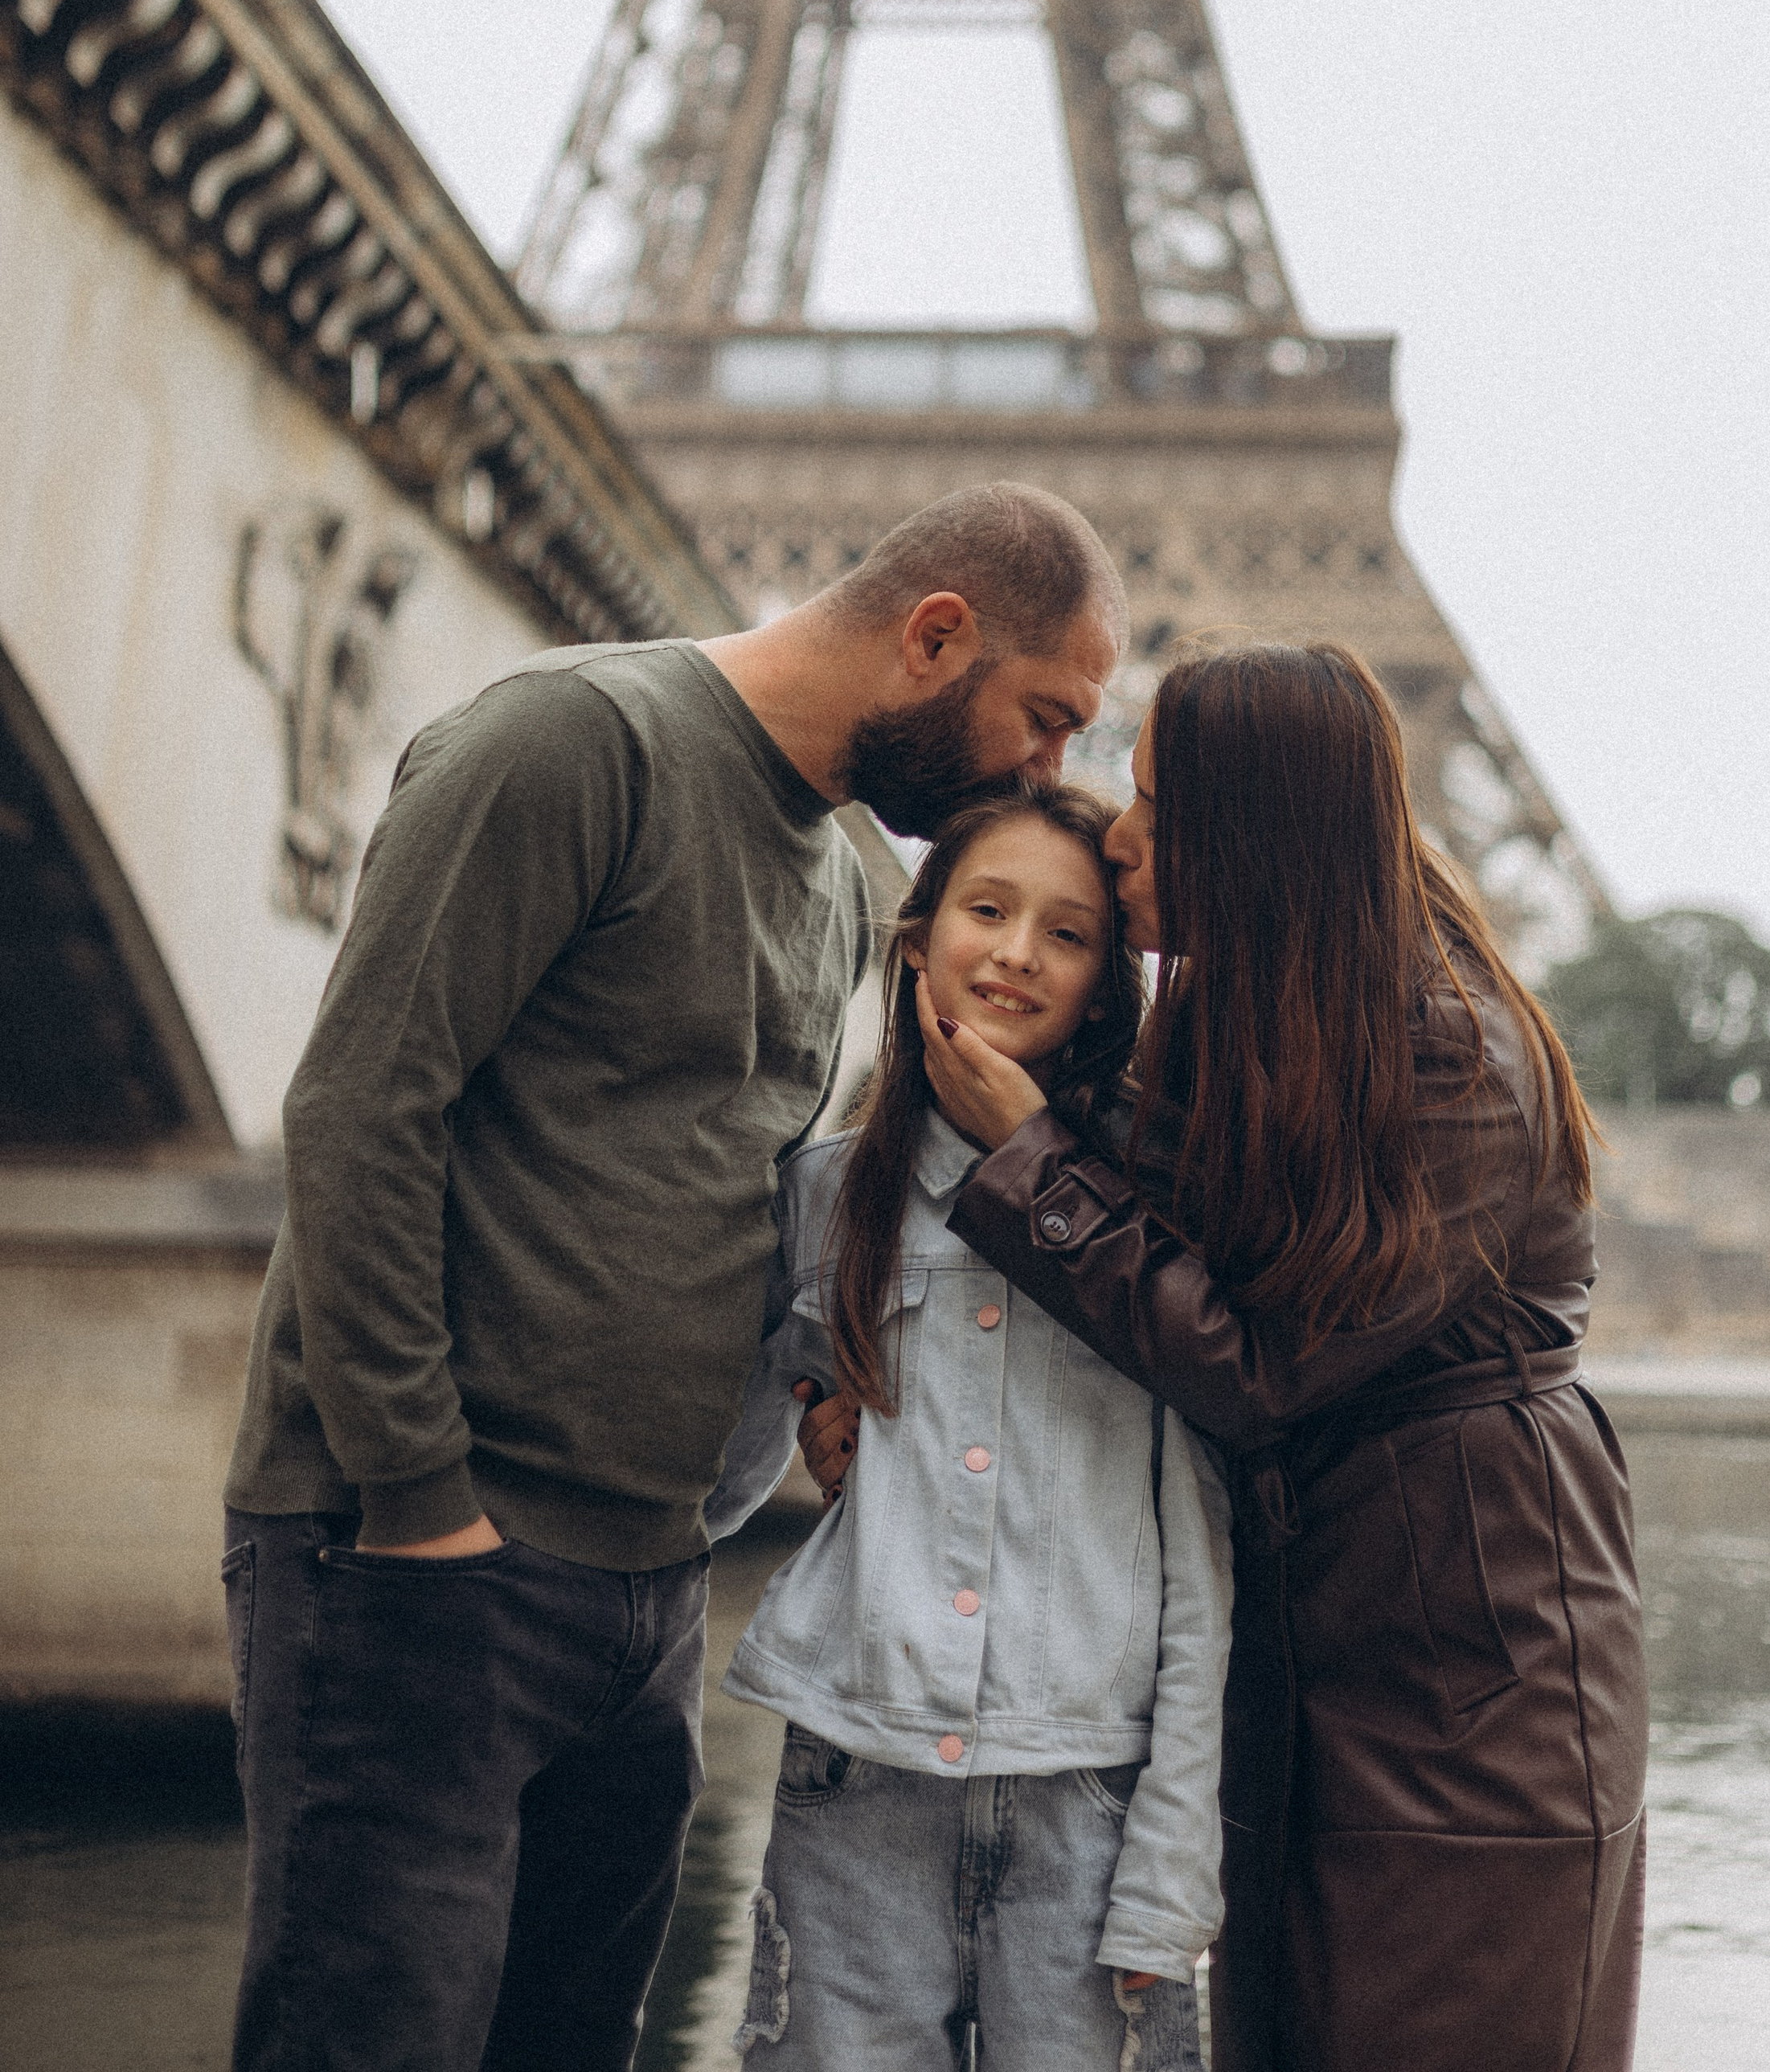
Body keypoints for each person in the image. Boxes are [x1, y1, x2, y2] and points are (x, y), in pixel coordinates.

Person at [219, 483, 1125, 2072]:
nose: (1047, 771)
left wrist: (823, 1393)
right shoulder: (573, 744)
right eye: (1044, 717)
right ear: (934, 637)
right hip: (425, 1561)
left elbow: (733, 1200)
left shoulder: (838, 879)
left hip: (645, 1590)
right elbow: (362, 1108)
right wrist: (419, 1504)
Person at [808, 639, 1648, 2072]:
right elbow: (1145, 1273)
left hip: (1469, 1685)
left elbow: (1255, 1364)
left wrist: (1027, 1157)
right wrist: (854, 1388)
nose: (1121, 837)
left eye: (1156, 803)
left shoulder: (1456, 1058)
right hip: (1308, 1651)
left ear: (1259, 832)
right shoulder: (1254, 1008)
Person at [703, 784, 1233, 2072]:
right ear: (915, 939)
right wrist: (810, 1412)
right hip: (854, 1787)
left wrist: (1173, 1871)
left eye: (1069, 933)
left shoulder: (1162, 1213)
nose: (1017, 953)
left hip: (1092, 1804)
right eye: (987, 910)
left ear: (1105, 991)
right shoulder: (824, 1194)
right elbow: (722, 1481)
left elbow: (1203, 1571)